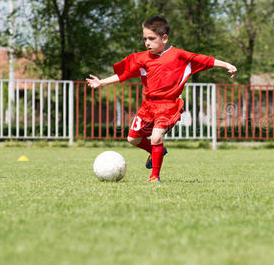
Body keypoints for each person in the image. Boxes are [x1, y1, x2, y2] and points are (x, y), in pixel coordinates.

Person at [86, 15, 237, 182]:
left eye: (151, 38)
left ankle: (154, 176)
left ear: (164, 38)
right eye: (145, 39)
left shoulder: (178, 56)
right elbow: (124, 75)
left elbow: (204, 59)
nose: (147, 42)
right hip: (148, 106)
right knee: (132, 139)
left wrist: (227, 65)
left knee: (157, 137)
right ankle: (155, 150)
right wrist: (101, 82)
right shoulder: (143, 59)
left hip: (168, 106)